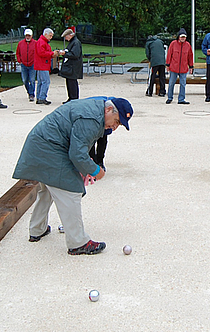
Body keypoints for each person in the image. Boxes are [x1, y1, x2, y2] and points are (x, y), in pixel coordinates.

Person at [12, 97, 133, 255]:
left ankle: (37, 229)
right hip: (48, 147)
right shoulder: (93, 119)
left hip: (43, 144)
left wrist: (83, 167)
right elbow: (77, 154)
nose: (115, 127)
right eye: (116, 121)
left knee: (49, 188)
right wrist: (96, 170)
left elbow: (79, 143)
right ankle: (78, 242)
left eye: (119, 125)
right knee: (71, 189)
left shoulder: (97, 108)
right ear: (109, 110)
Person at [166, 28, 194, 105]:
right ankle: (169, 97)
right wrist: (167, 64)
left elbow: (190, 56)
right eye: (181, 37)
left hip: (184, 68)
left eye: (184, 37)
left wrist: (191, 67)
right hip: (173, 67)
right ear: (179, 37)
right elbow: (169, 54)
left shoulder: (188, 45)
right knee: (171, 83)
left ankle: (181, 99)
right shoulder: (173, 44)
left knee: (183, 84)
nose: (183, 38)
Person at [34, 28, 59, 105]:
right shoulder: (42, 42)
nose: (51, 37)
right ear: (46, 34)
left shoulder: (42, 42)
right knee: (45, 81)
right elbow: (41, 53)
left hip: (41, 65)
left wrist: (51, 55)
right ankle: (42, 97)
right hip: (42, 65)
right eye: (50, 36)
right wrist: (51, 54)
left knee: (41, 82)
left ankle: (39, 97)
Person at [59, 28, 83, 103]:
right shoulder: (72, 42)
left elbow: (75, 54)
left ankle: (74, 99)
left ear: (70, 35)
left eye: (66, 37)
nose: (66, 39)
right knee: (69, 82)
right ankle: (71, 98)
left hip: (74, 67)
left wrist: (64, 54)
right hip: (71, 67)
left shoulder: (76, 43)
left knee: (72, 83)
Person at [16, 28, 37, 102]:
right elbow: (18, 53)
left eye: (29, 35)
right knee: (25, 80)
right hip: (24, 64)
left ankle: (31, 94)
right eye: (26, 35)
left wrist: (35, 61)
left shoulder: (35, 43)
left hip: (32, 64)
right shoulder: (20, 43)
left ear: (32, 36)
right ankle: (29, 91)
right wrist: (19, 60)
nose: (28, 37)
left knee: (32, 80)